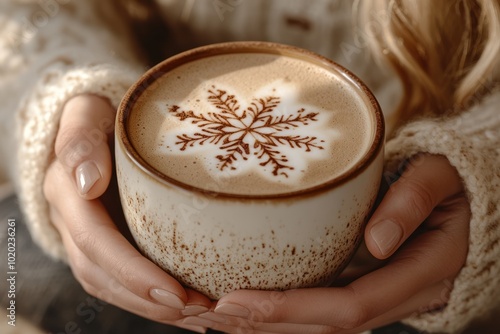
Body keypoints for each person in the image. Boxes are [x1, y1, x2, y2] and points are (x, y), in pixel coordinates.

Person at [0, 0, 498, 333]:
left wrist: (487, 165)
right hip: (139, 197)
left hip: (407, 256)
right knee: (11, 249)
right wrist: (63, 83)